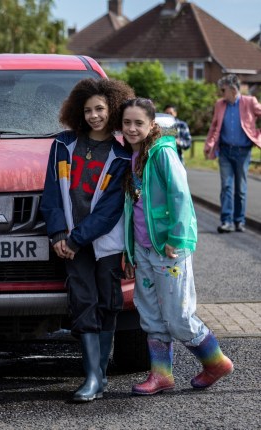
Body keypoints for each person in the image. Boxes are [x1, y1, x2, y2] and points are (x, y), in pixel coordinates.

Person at [122, 97, 234, 396]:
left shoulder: (162, 154)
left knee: (179, 316)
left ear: (152, 125)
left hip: (169, 247)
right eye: (127, 123)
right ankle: (161, 375)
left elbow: (181, 195)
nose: (132, 129)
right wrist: (130, 250)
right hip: (144, 249)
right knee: (150, 314)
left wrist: (177, 237)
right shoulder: (132, 156)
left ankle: (216, 362)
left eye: (138, 123)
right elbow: (132, 208)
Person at [40, 78, 134, 402]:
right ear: (79, 112)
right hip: (69, 242)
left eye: (100, 109)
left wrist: (76, 239)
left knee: (109, 302)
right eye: (89, 110)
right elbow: (51, 194)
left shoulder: (122, 156)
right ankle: (92, 377)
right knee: (83, 301)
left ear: (112, 110)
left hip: (104, 242)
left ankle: (103, 374)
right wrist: (57, 234)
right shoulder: (63, 145)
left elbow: (109, 211)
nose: (94, 115)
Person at [204, 74, 261, 233]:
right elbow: (214, 126)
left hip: (243, 152)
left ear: (233, 90)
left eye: (224, 90)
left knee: (240, 188)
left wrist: (258, 135)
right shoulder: (220, 104)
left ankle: (239, 221)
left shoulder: (249, 102)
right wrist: (209, 144)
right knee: (227, 186)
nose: (221, 93)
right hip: (225, 151)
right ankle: (226, 221)